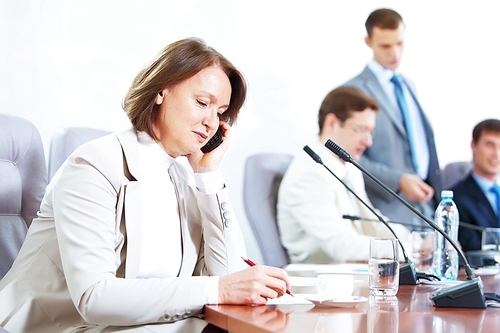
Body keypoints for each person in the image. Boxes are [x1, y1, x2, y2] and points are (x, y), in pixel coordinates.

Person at [0, 37, 291, 333]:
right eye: (202, 102)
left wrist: (209, 175)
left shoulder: (183, 180)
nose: (211, 122)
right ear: (161, 92)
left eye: (220, 113)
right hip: (56, 327)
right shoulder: (94, 164)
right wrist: (217, 289)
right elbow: (94, 297)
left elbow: (230, 276)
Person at [277, 86, 411, 263]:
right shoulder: (309, 174)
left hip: (351, 272)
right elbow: (343, 247)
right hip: (320, 279)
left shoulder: (348, 166)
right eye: (362, 129)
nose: (368, 141)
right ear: (332, 123)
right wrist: (404, 250)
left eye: (370, 132)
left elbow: (373, 222)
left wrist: (415, 242)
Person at [343, 8, 442, 229]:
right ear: (368, 41)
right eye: (385, 46)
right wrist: (398, 180)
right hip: (387, 211)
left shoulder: (408, 85)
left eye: (399, 43)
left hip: (424, 209)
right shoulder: (353, 92)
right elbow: (348, 156)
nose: (394, 52)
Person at [452, 119, 500, 253]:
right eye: (490, 144)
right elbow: (472, 248)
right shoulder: (457, 199)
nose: (496, 153)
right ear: (474, 145)